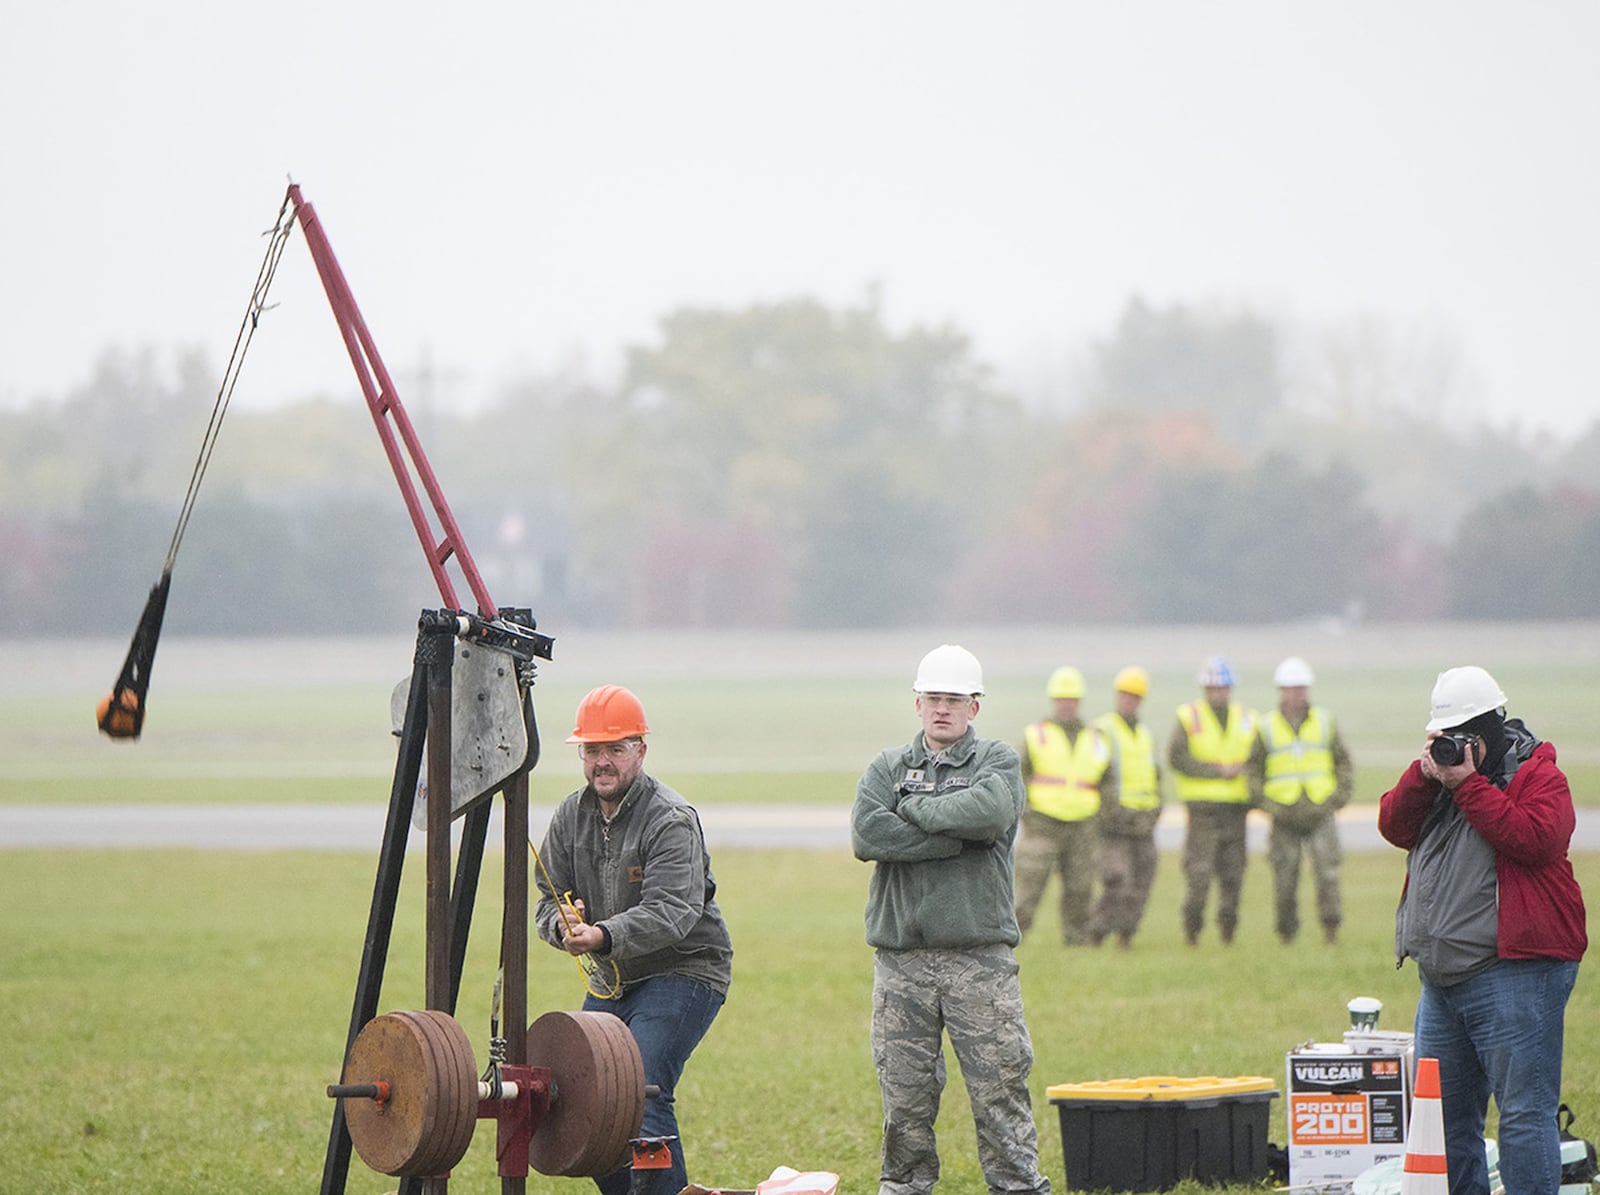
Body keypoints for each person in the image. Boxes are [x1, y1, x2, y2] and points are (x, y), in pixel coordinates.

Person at [851, 644, 1052, 1195]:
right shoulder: (886, 767)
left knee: (999, 1086)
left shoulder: (997, 761)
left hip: (978, 960)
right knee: (905, 1094)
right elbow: (868, 834)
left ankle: (1016, 1186)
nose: (943, 709)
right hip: (901, 963)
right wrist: (947, 839)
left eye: (954, 700)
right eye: (934, 698)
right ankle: (906, 1186)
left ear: (974, 708)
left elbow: (989, 813)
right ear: (918, 704)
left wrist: (911, 811)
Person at [1378, 665, 1586, 1195]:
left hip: (1517, 973)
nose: (1455, 746)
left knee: (1521, 1117)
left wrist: (1469, 785)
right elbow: (1393, 827)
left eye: (1463, 733)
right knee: (1444, 1121)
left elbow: (1536, 839)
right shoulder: (1443, 778)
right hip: (1443, 981)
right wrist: (1423, 777)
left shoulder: (1538, 775)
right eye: (1444, 736)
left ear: (1490, 726)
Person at [533, 684, 733, 1195]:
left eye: (614, 749)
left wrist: (601, 934)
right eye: (592, 750)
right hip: (611, 980)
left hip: (684, 970)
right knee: (589, 1101)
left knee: (639, 1090)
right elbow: (545, 900)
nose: (602, 762)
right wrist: (561, 925)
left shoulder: (669, 818)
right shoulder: (568, 818)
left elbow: (674, 911)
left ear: (640, 751)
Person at [1247, 656, 1354, 945]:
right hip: (1283, 814)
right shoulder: (1266, 726)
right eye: (1292, 688)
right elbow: (1253, 770)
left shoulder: (1324, 722)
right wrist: (1269, 806)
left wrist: (1335, 799)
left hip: (1320, 810)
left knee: (1328, 876)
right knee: (1284, 879)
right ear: (1281, 690)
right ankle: (1286, 935)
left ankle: (1331, 932)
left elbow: (1343, 762)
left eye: (1302, 687)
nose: (1298, 693)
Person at [1013, 665, 1113, 945]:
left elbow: (1107, 779)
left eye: (1071, 699)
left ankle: (1076, 942)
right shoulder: (1036, 735)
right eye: (1061, 699)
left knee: (1080, 889)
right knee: (1028, 889)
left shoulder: (1096, 738)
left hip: (1083, 824)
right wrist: (1028, 813)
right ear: (1053, 701)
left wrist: (1101, 814)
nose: (1066, 705)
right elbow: (1018, 776)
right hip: (1042, 824)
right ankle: (1013, 942)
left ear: (1079, 702)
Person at [1167, 656, 1257, 946]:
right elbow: (1177, 757)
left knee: (1234, 875)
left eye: (1223, 687)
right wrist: (1216, 772)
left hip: (1236, 809)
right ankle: (1192, 933)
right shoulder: (1188, 716)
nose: (1219, 693)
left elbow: (1257, 759)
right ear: (1205, 689)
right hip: (1203, 810)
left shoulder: (1248, 718)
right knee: (1199, 874)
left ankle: (1227, 934)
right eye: (1213, 687)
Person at [1090, 666, 1163, 949]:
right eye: (1124, 695)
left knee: (1142, 884)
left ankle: (1126, 936)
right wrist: (1110, 810)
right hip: (1114, 823)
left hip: (1144, 821)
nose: (1128, 701)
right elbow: (1095, 774)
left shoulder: (1145, 735)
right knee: (1116, 879)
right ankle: (1097, 931)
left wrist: (1156, 809)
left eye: (1134, 697)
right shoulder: (1103, 730)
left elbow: (1155, 775)